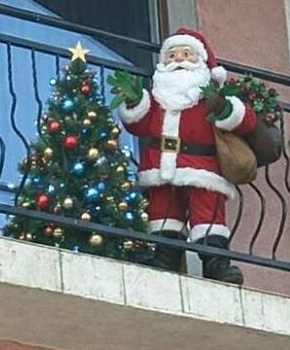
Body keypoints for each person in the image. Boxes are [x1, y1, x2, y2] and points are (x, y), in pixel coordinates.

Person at [109, 28, 257, 286]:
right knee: (163, 213)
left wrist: (224, 108)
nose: (178, 60)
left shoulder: (210, 97)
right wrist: (134, 101)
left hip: (203, 169)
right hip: (160, 167)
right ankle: (165, 260)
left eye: (186, 54)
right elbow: (138, 125)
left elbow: (245, 122)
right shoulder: (157, 98)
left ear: (201, 62)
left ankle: (216, 266)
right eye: (172, 55)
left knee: (207, 215)